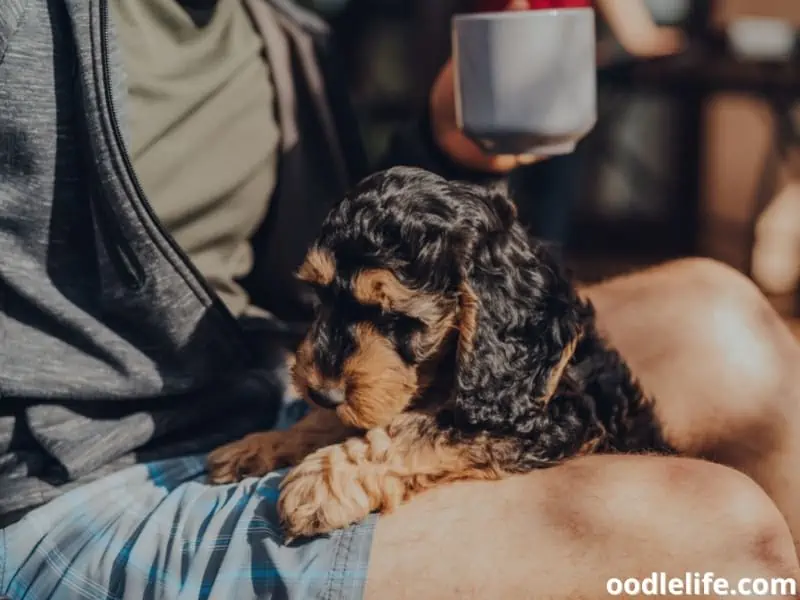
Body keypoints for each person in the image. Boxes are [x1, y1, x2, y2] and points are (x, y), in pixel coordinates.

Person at [1, 1, 800, 600]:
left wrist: (447, 148)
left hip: (270, 401)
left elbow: (372, 276)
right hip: (69, 494)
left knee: (721, 319)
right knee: (721, 540)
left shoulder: (282, 34)